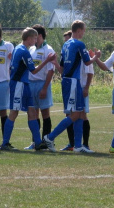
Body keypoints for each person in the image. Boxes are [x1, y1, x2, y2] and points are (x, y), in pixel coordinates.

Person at [43, 20, 100, 153]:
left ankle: (78, 146)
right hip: (73, 81)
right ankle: (50, 137)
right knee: (75, 114)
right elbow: (87, 62)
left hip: (68, 81)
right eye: (84, 30)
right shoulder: (79, 44)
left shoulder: (66, 44)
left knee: (79, 113)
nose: (84, 33)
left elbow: (62, 66)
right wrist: (96, 57)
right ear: (79, 30)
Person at [0, 28, 56, 151]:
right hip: (19, 85)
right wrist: (47, 60)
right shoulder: (23, 50)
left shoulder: (19, 48)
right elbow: (33, 70)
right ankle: (5, 143)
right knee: (14, 112)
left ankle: (38, 142)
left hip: (24, 84)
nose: (35, 40)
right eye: (34, 38)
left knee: (32, 112)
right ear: (29, 38)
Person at [24, 24, 55, 150]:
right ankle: (35, 142)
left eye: (34, 36)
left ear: (40, 36)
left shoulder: (48, 50)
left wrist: (44, 88)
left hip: (42, 83)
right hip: (31, 84)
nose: (33, 39)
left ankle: (46, 142)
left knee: (45, 113)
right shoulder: (31, 50)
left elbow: (51, 71)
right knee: (33, 114)